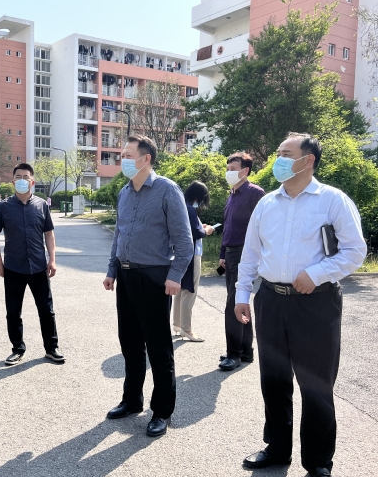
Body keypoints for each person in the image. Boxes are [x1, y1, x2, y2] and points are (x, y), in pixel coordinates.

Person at [234, 133, 366, 477]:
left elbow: (355, 251)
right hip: (271, 301)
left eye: (285, 153)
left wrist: (317, 273)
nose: (277, 159)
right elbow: (250, 253)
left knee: (316, 384)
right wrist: (242, 294)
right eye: (277, 153)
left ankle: (319, 463)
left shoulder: (332, 201)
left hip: (316, 304)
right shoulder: (267, 204)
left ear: (307, 160)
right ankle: (277, 448)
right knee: (274, 379)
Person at [102, 135, 192, 438]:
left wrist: (175, 275)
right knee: (129, 342)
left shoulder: (167, 190)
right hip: (126, 276)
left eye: (128, 155)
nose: (123, 159)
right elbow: (119, 234)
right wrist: (112, 269)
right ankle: (132, 400)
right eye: (122, 155)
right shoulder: (125, 192)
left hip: (154, 277)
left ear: (146, 158)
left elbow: (184, 240)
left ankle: (162, 411)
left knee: (158, 347)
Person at [0, 163, 64, 366]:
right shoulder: (3, 207)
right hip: (13, 267)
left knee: (46, 310)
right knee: (13, 312)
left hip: (39, 266)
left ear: (32, 182)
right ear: (13, 181)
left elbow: (49, 234)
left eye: (26, 177)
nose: (22, 180)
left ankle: (52, 348)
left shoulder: (42, 205)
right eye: (18, 177)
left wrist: (52, 259)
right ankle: (17, 349)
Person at [218, 152, 264, 371]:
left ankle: (233, 353)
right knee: (239, 301)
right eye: (227, 169)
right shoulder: (232, 194)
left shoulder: (255, 193)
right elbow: (227, 226)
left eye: (233, 169)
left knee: (233, 304)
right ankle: (246, 351)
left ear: (245, 171)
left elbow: (263, 227)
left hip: (245, 254)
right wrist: (222, 254)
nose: (229, 172)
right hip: (230, 254)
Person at [173, 181, 215, 342]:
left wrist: (200, 227)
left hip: (180, 253)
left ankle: (177, 324)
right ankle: (187, 329)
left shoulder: (182, 207)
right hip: (192, 254)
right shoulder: (190, 209)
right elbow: (196, 233)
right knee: (189, 291)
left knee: (180, 289)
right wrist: (207, 230)